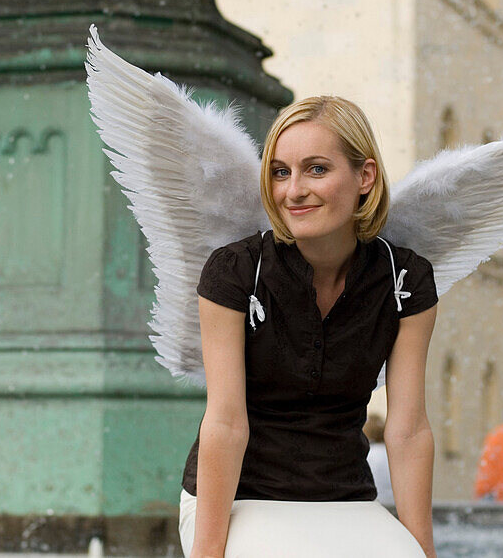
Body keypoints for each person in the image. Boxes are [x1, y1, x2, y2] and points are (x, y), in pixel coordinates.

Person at [177, 96, 440, 557]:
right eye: (281, 172)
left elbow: (408, 429)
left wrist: (422, 549)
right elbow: (225, 422)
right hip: (240, 496)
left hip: (346, 499)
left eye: (316, 169)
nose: (293, 191)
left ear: (365, 177)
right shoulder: (235, 270)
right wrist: (207, 553)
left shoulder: (406, 279)